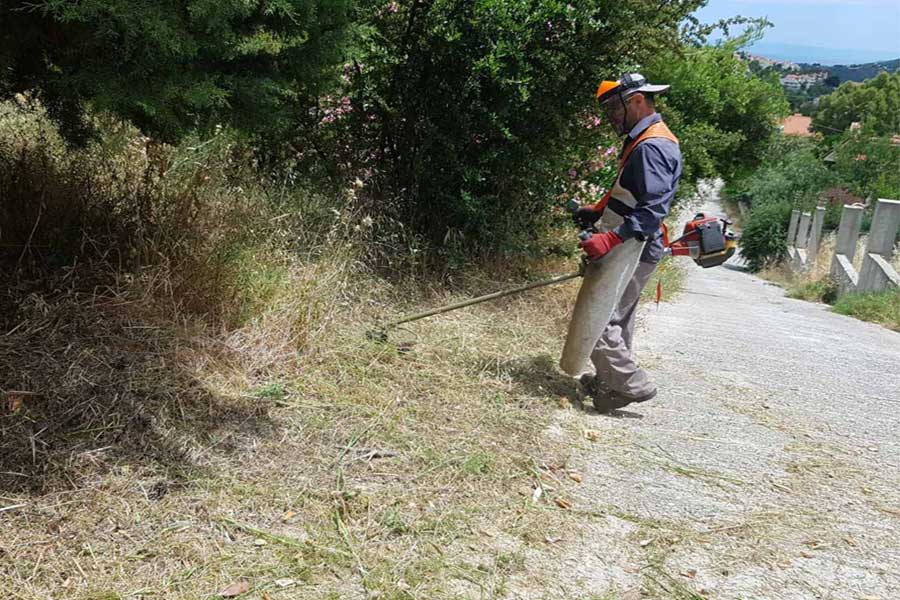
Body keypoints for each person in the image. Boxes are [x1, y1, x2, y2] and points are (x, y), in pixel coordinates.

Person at [574, 73, 683, 413]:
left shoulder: (652, 146)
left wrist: (610, 237)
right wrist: (597, 211)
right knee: (617, 320)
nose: (610, 118)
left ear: (637, 101)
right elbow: (634, 194)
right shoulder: (646, 138)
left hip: (634, 246)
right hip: (634, 243)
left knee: (599, 317)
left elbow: (652, 210)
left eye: (614, 109)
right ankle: (610, 385)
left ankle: (632, 384)